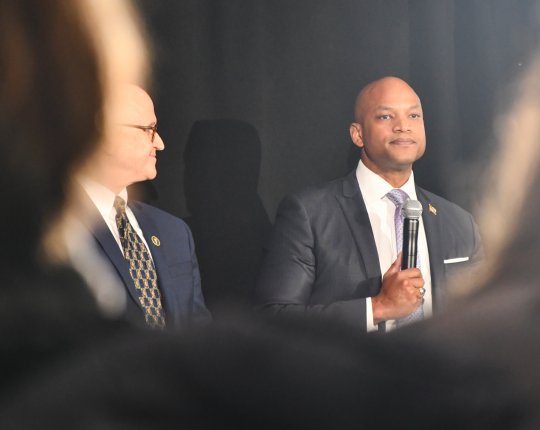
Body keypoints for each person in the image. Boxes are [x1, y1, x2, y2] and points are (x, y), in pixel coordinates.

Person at [255, 76, 482, 332]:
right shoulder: (309, 214)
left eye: (414, 116)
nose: (403, 126)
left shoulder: (460, 223)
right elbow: (274, 319)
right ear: (358, 134)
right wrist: (379, 307)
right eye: (386, 117)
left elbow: (484, 319)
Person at [77, 84, 211, 329]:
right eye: (149, 130)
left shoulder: (174, 233)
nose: (159, 143)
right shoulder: (58, 232)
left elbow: (200, 334)